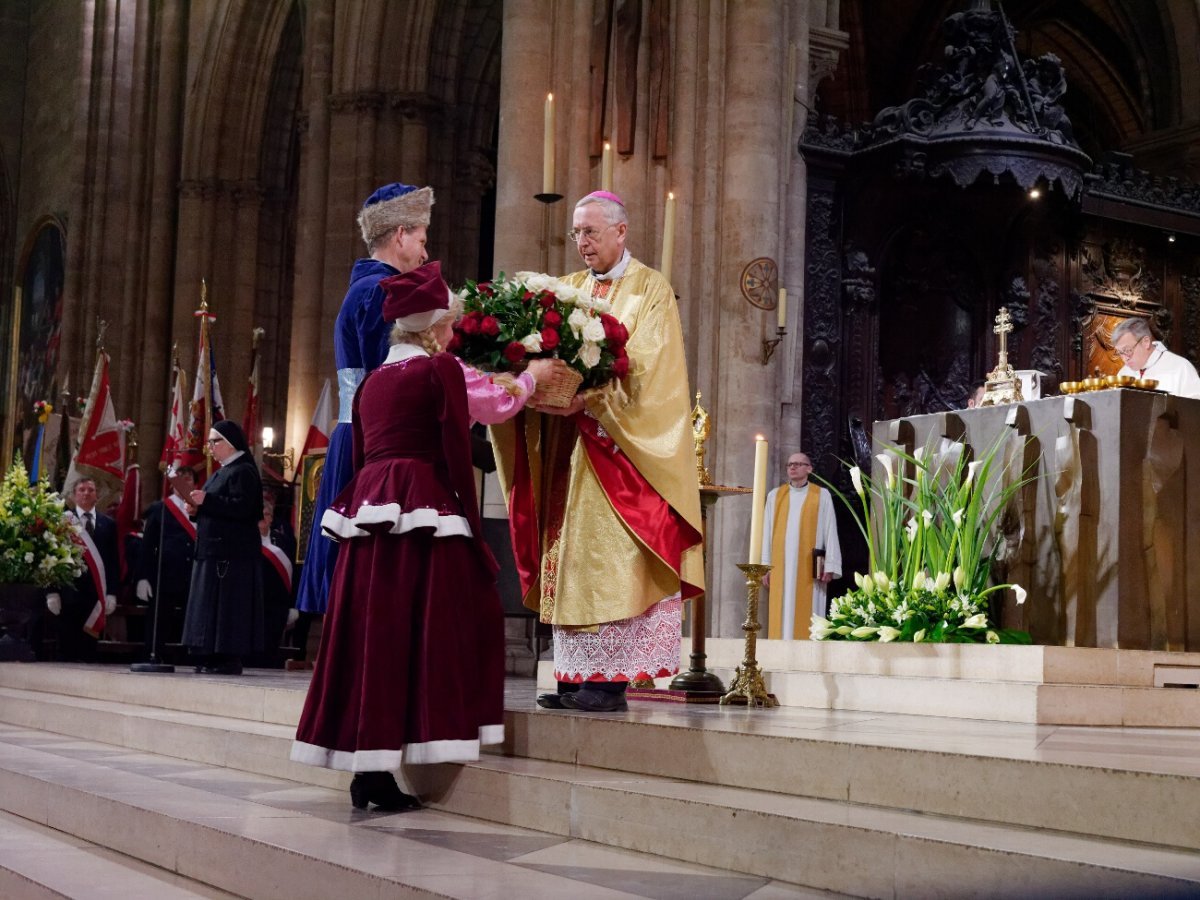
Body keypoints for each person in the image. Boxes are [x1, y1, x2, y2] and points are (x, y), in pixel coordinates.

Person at [291, 262, 558, 811]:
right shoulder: (437, 371)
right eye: (448, 327)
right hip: (421, 504)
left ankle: (369, 766)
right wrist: (535, 378)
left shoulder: (368, 384)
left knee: (371, 636)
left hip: (368, 511)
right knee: (443, 622)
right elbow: (475, 431)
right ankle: (408, 746)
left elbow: (362, 453)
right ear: (435, 329)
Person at [492, 190, 705, 714]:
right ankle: (573, 675)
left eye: (589, 231)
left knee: (607, 557)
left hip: (618, 449)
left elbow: (654, 368)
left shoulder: (651, 289)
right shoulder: (564, 289)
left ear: (620, 231)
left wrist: (592, 398)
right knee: (567, 559)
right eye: (576, 233)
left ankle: (607, 683)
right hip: (567, 445)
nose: (581, 243)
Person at [296, 181, 435, 617]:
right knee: (370, 575)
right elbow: (388, 380)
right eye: (421, 239)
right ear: (400, 235)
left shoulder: (366, 288)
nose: (425, 253)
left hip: (358, 434)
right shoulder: (380, 292)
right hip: (371, 443)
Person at [181, 421, 265, 675]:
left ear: (229, 443)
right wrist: (196, 510)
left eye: (213, 442)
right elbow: (217, 508)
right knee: (208, 606)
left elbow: (244, 508)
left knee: (227, 608)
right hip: (213, 551)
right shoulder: (222, 471)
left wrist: (207, 500)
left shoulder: (244, 471)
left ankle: (226, 657)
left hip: (231, 555)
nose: (209, 448)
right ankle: (208, 654)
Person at [760, 452, 842, 639]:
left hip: (811, 568)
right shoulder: (775, 496)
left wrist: (830, 565)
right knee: (781, 614)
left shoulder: (821, 495)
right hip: (781, 568)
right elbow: (766, 532)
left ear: (809, 469)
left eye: (798, 464)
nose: (792, 467)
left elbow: (830, 529)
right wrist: (766, 567)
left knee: (809, 614)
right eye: (790, 464)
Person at [45, 477, 118, 661]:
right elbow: (52, 557)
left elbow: (113, 561)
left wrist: (112, 593)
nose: (86, 493)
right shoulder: (63, 521)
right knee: (67, 648)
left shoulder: (108, 524)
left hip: (95, 595)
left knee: (89, 651)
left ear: (98, 495)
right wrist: (51, 592)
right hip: (69, 592)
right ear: (73, 495)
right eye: (82, 490)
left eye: (90, 490)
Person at [135, 465, 197, 656]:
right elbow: (147, 545)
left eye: (188, 479)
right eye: (180, 479)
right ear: (172, 485)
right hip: (165, 573)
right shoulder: (160, 508)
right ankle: (154, 654)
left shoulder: (200, 510)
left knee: (194, 619)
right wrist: (143, 577)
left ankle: (192, 657)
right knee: (159, 619)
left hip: (193, 574)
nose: (184, 482)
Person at [1112, 317, 1200, 399]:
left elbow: (1194, 409)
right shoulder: (1123, 373)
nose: (1124, 359)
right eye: (1120, 352)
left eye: (1128, 350)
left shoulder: (1180, 368)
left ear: (1146, 342)